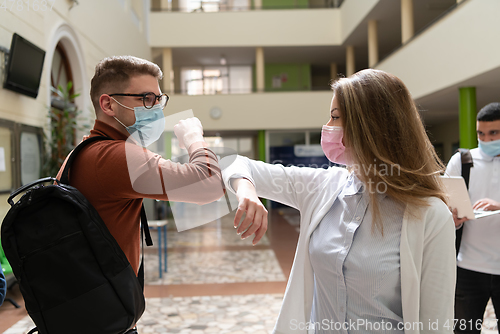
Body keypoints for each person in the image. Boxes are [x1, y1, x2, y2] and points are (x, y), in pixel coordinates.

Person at [223, 69, 456, 333]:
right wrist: (246, 190)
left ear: (370, 126)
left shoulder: (430, 215)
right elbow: (232, 162)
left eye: (335, 117)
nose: (328, 127)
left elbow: (437, 323)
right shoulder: (322, 186)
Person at [56, 56, 224, 333]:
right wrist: (195, 138)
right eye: (146, 98)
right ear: (108, 104)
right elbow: (208, 183)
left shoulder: (84, 151)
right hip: (104, 320)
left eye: (159, 100)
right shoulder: (115, 156)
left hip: (89, 310)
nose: (156, 108)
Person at [446, 102, 500, 334]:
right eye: (481, 133)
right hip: (467, 267)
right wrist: (452, 218)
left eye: (493, 133)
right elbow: (445, 209)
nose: (486, 139)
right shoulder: (461, 162)